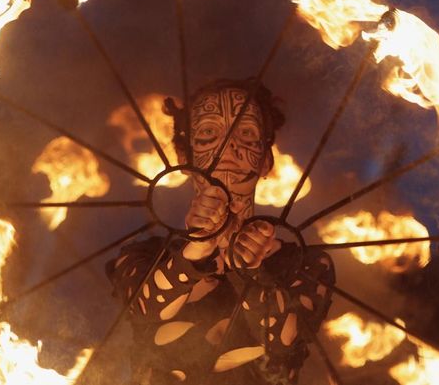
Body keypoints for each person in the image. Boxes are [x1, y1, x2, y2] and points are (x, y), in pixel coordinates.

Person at [106, 79, 335, 385]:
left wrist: (250, 269)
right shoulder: (144, 256)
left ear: (266, 160)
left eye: (246, 133)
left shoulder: (305, 264)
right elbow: (146, 307)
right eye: (209, 133)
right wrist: (198, 247)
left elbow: (283, 342)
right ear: (185, 159)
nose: (229, 144)